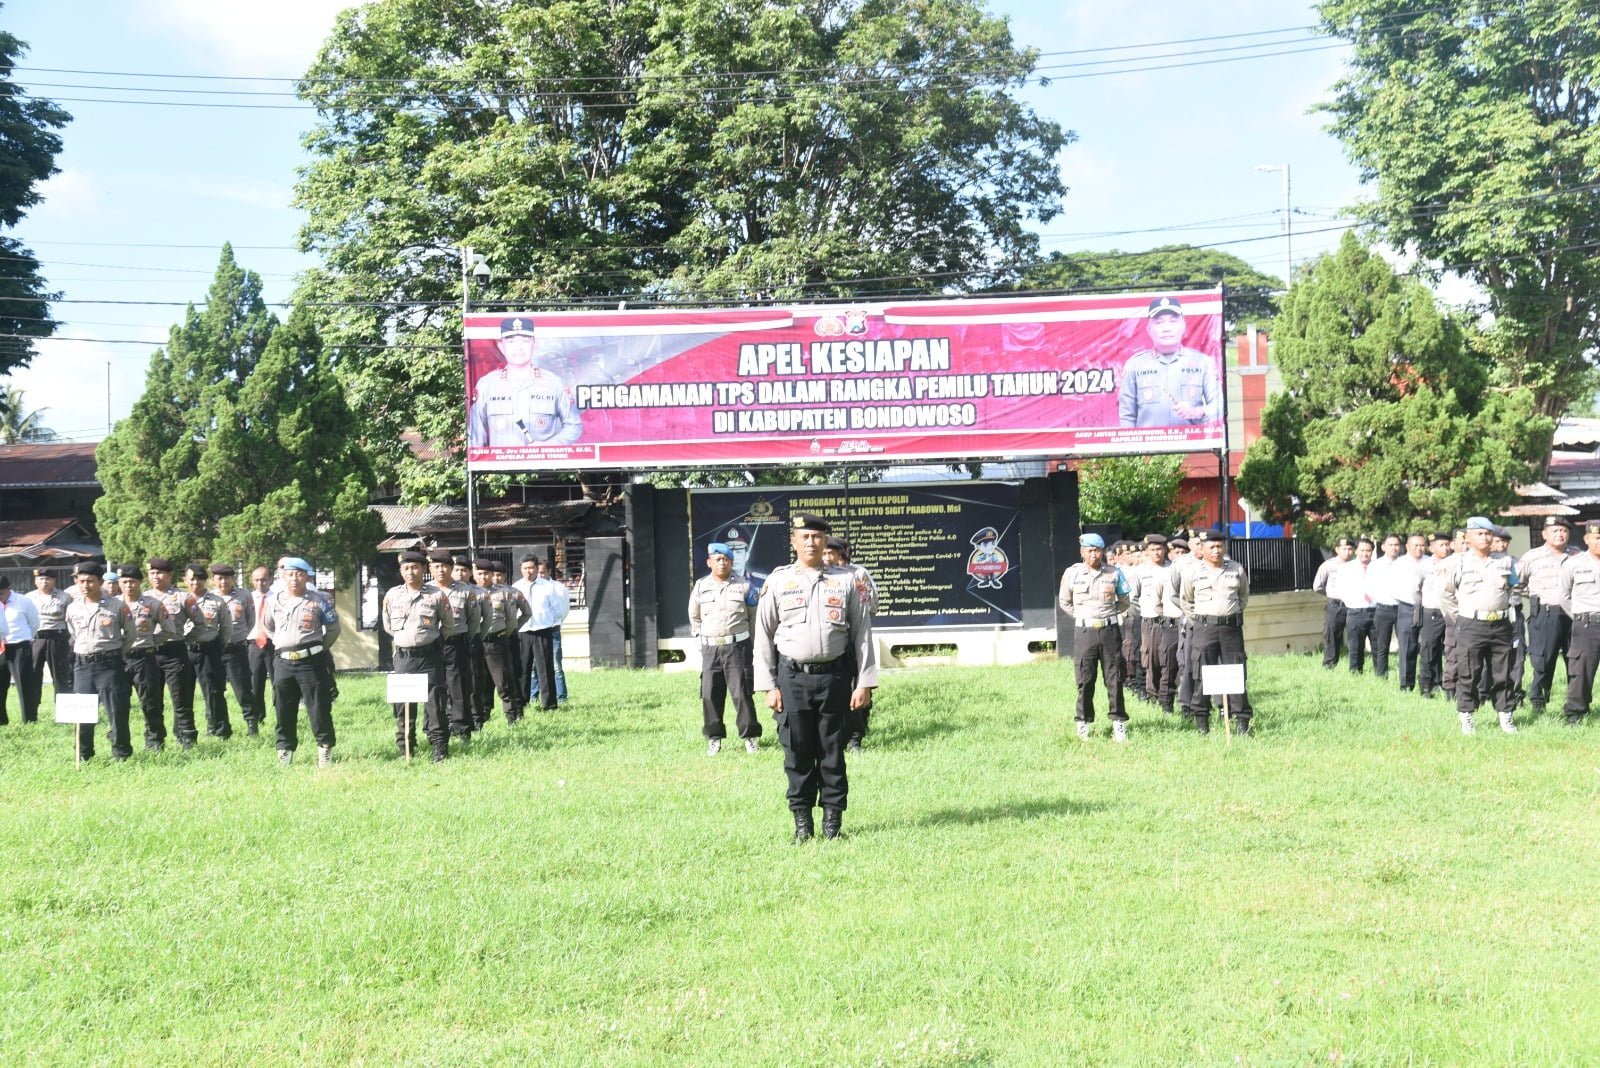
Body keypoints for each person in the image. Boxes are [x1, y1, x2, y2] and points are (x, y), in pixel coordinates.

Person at [754, 512, 878, 843]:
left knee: (832, 751)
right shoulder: (778, 581)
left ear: (826, 542)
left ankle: (833, 825)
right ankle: (802, 824)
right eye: (804, 536)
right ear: (793, 541)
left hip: (835, 677)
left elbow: (862, 634)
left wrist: (864, 681)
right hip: (791, 678)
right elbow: (763, 636)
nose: (811, 542)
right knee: (796, 752)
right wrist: (767, 686)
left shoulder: (846, 581)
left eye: (817, 537)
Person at [1440, 517, 1519, 735]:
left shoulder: (1504, 561)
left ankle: (1506, 716)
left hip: (1501, 623)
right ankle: (1467, 716)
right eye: (1480, 534)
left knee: (1503, 672)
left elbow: (1513, 588)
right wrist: (1461, 618)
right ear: (1468, 537)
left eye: (1488, 533)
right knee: (1468, 672)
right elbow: (1446, 594)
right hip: (1470, 624)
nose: (1485, 538)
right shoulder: (1458, 562)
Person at [264, 556, 341, 766]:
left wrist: (318, 648)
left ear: (307, 576)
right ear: (283, 576)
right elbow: (268, 627)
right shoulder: (274, 601)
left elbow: (334, 628)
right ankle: (284, 752)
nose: (294, 578)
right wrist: (283, 642)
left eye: (299, 574)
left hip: (311, 662)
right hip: (283, 663)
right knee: (283, 708)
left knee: (318, 708)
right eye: (290, 574)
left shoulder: (319, 601)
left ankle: (324, 750)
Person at [1058, 532, 1133, 741]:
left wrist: (1108, 614)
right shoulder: (1072, 574)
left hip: (1109, 631)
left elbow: (1125, 600)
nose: (1094, 554)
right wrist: (1083, 617)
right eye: (1090, 550)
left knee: (1115, 677)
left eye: (1097, 550)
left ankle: (1118, 723)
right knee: (1085, 678)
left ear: (1102, 552)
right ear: (1082, 552)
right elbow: (1065, 602)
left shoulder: (1114, 573)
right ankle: (1083, 722)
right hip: (1085, 632)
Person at [383, 550, 457, 761]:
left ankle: (439, 746)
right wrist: (406, 639)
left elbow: (448, 625)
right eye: (406, 568)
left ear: (424, 569)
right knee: (403, 704)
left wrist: (429, 639)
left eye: (415, 567)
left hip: (429, 656)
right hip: (404, 657)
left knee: (436, 703)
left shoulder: (436, 595)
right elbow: (388, 625)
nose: (410, 572)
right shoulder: (392, 595)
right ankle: (405, 745)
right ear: (401, 570)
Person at [690, 541, 762, 754]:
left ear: (732, 563)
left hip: (737, 647)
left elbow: (753, 618)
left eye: (726, 559)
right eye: (718, 559)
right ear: (709, 562)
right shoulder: (701, 586)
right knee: (710, 694)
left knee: (742, 693)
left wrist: (753, 646)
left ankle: (750, 737)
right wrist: (699, 639)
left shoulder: (745, 586)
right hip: (710, 649)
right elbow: (694, 616)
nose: (722, 563)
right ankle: (714, 737)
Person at [1178, 529, 1252, 735]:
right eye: (1212, 547)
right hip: (1204, 628)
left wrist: (1228, 615)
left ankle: (1241, 722)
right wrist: (1203, 620)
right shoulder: (1192, 572)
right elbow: (1186, 601)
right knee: (1202, 673)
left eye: (1220, 546)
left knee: (1236, 674)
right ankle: (1202, 722)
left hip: (1231, 629)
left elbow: (1243, 596)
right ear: (1202, 549)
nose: (1217, 551)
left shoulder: (1236, 569)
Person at [467, 317, 582, 447]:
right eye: (511, 342)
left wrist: (549, 446)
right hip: (501, 466)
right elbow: (476, 438)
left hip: (545, 465)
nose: (518, 348)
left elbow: (574, 426)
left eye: (525, 341)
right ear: (501, 347)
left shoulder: (554, 383)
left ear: (534, 345)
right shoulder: (486, 385)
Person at [65, 562, 136, 761]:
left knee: (116, 711)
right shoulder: (73, 608)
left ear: (100, 581)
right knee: (82, 712)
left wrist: (115, 652)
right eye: (81, 581)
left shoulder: (116, 606)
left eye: (90, 581)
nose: (85, 585)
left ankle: (121, 753)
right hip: (83, 665)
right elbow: (74, 633)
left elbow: (131, 633)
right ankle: (83, 754)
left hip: (109, 665)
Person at [1117, 296, 1222, 428]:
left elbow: (1219, 405)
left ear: (1183, 326)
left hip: (1193, 445)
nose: (1166, 328)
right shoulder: (1135, 365)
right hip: (1149, 445)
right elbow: (1127, 415)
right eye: (1159, 322)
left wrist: (1197, 412)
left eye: (1173, 321)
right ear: (1149, 329)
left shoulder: (1203, 363)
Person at [1519, 516, 1579, 715]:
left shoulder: (1577, 556)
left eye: (1564, 530)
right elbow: (1517, 583)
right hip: (1545, 615)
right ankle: (1539, 702)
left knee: (1575, 661)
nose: (1560, 534)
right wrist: (1535, 596)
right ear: (1544, 534)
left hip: (1572, 615)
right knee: (1543, 661)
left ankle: (1575, 704)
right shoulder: (1532, 557)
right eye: (1555, 530)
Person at [823, 535, 876, 749]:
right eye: (824, 553)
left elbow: (872, 606)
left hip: (852, 642)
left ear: (840, 555)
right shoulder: (816, 577)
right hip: (830, 643)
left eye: (831, 553)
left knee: (858, 690)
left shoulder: (857, 575)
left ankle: (855, 737)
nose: (826, 558)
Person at [146, 556, 200, 750]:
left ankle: (187, 739)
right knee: (151, 700)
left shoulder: (183, 597)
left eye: (160, 573)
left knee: (181, 699)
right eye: (152, 573)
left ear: (169, 575)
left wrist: (186, 639)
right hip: (149, 653)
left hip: (175, 651)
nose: (156, 577)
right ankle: (154, 741)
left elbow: (200, 623)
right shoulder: (144, 598)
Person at [427, 549, 479, 744]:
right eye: (437, 566)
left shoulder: (466, 591)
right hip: (432, 644)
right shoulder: (426, 590)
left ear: (451, 568)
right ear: (430, 568)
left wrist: (466, 637)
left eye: (445, 566)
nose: (441, 570)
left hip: (456, 642)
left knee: (458, 687)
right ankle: (433, 728)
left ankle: (462, 728)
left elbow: (474, 620)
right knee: (433, 688)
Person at [116, 565, 169, 750]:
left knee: (150, 703)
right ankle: (119, 742)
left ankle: (155, 741)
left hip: (144, 658)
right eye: (124, 582)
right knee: (118, 703)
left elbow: (169, 629)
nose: (129, 586)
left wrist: (151, 640)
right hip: (119, 659)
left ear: (140, 582)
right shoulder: (113, 604)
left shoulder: (153, 604)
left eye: (132, 582)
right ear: (119, 583)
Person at [184, 563, 235, 739]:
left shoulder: (216, 601)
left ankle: (220, 730)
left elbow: (227, 629)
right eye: (192, 579)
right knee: (182, 694)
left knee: (214, 692)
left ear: (205, 581)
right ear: (185, 580)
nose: (195, 582)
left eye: (200, 578)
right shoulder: (178, 600)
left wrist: (217, 646)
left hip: (208, 650)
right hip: (183, 651)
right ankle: (184, 732)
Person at [1558, 520, 1600, 726]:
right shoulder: (1574, 563)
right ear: (1587, 539)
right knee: (1581, 670)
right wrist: (1580, 617)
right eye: (1597, 538)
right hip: (1586, 625)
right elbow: (1563, 596)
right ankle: (1575, 713)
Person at [515, 554, 568, 712]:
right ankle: (521, 703)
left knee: (545, 668)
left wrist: (548, 623)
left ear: (537, 569)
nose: (528, 571)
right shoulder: (516, 587)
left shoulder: (548, 586)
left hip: (543, 631)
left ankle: (549, 704)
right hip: (523, 632)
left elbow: (558, 610)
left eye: (531, 568)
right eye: (525, 568)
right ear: (521, 569)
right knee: (522, 669)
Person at [212, 564, 258, 734]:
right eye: (219, 578)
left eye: (226, 578)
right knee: (214, 690)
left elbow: (250, 620)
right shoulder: (209, 597)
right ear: (213, 580)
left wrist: (239, 636)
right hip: (214, 650)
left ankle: (252, 723)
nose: (223, 582)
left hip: (236, 649)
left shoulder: (244, 595)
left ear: (232, 579)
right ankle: (217, 726)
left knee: (242, 688)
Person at [1136, 534, 1180, 716]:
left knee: (1168, 659)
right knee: (1151, 658)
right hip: (1150, 620)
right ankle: (1152, 692)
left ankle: (1167, 694)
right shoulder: (1141, 571)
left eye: (1160, 549)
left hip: (1169, 621)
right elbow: (1135, 595)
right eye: (1153, 550)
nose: (1157, 553)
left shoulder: (1173, 569)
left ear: (1165, 550)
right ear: (1147, 551)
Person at [454, 556, 493, 730]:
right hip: (448, 642)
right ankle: (453, 717)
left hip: (472, 640)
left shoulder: (479, 593)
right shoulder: (440, 591)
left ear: (470, 573)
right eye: (456, 570)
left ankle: (477, 717)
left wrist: (477, 636)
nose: (460, 573)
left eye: (464, 570)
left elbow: (487, 619)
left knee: (474, 680)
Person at [25, 568, 72, 711]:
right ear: (35, 580)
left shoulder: (65, 597)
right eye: (41, 579)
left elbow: (70, 619)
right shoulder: (28, 598)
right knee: (33, 674)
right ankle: (31, 710)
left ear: (54, 580)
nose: (44, 582)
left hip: (57, 638)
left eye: (48, 579)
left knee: (60, 675)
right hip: (36, 639)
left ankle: (64, 711)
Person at [0, 575, 41, 726]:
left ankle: (29, 720)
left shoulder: (23, 601)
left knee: (24, 685)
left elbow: (34, 623)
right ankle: (1, 721)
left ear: (9, 589)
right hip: (0, 647)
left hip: (19, 646)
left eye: (1, 593)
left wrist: (26, 639)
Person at [1389, 533, 1428, 692]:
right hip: (1407, 607)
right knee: (1407, 647)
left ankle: (1429, 682)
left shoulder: (1430, 562)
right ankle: (1406, 684)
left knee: (1429, 646)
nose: (1419, 548)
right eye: (1415, 545)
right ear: (1407, 547)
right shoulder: (1399, 564)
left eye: (1422, 545)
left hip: (1427, 608)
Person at [1417, 532, 1454, 698]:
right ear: (1431, 547)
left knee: (1451, 650)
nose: (1445, 548)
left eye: (1447, 544)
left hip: (1450, 613)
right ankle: (1426, 685)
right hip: (1431, 612)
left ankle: (1446, 685)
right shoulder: (1424, 565)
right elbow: (1415, 589)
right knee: (1429, 650)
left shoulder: (1455, 563)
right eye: (1441, 545)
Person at [1312, 537, 1355, 668]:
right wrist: (1332, 594)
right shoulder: (1328, 565)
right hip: (1335, 606)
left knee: (1355, 636)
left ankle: (1355, 667)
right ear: (1337, 549)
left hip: (1354, 605)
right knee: (1332, 636)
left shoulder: (1356, 565)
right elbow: (1318, 586)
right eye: (1344, 549)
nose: (1347, 552)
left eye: (1350, 549)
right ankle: (1329, 665)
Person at [1367, 534, 1403, 679]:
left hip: (1402, 609)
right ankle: (1381, 675)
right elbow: (1368, 587)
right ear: (1383, 547)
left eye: (1396, 545)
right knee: (1382, 645)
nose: (1394, 548)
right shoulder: (1375, 565)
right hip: (1383, 609)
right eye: (1390, 545)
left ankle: (1404, 674)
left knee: (1405, 644)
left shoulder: (1404, 564)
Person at [244, 565, 275, 732]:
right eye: (257, 580)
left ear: (270, 579)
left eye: (264, 579)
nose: (260, 583)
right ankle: (258, 718)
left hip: (273, 644)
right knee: (256, 683)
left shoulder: (277, 598)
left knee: (279, 682)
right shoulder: (247, 598)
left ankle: (282, 715)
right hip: (254, 644)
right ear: (252, 581)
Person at [539, 561, 570, 704]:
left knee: (556, 664)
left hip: (553, 629)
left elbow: (563, 610)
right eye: (537, 572)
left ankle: (561, 696)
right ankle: (533, 696)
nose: (540, 575)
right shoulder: (531, 587)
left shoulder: (558, 588)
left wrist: (554, 623)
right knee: (534, 666)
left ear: (549, 572)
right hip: (537, 630)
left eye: (542, 572)